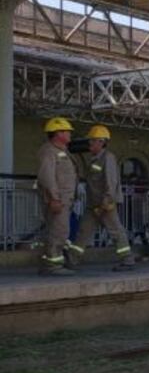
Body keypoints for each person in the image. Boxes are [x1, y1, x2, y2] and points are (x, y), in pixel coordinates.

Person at [68, 125, 135, 271]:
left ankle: (128, 260)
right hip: (93, 205)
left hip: (105, 204)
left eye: (92, 141)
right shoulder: (94, 159)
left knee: (115, 231)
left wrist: (107, 201)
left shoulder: (108, 158)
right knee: (83, 232)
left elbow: (110, 181)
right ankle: (72, 260)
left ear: (101, 142)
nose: (89, 144)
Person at [36, 117, 78, 276]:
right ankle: (53, 265)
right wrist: (54, 198)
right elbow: (46, 177)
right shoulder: (48, 151)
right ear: (57, 133)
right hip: (57, 200)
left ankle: (52, 263)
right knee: (58, 232)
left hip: (64, 199)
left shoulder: (62, 151)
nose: (69, 134)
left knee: (60, 231)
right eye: (67, 131)